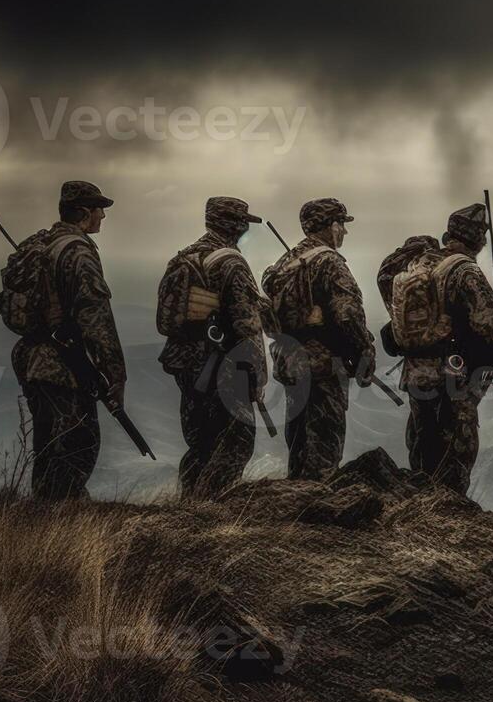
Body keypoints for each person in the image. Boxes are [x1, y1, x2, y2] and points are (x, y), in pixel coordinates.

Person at [10, 180, 127, 501]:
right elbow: (96, 317)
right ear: (84, 212)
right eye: (99, 209)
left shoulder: (41, 244)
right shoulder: (77, 251)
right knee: (79, 446)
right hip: (64, 367)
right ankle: (64, 523)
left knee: (48, 449)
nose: (103, 215)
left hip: (34, 361)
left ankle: (42, 519)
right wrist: (116, 374)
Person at [157, 197, 269, 498]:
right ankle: (214, 509)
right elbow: (247, 325)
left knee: (200, 442)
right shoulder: (231, 262)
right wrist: (258, 376)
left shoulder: (183, 258)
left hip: (186, 364)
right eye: (244, 222)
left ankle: (190, 504)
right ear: (236, 225)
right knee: (236, 442)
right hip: (224, 368)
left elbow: (166, 320)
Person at [397, 205, 493, 493]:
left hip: (415, 374)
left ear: (448, 233)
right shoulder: (464, 271)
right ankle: (447, 519)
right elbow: (491, 328)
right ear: (480, 241)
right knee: (455, 454)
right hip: (454, 379)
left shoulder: (418, 265)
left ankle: (418, 512)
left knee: (423, 447)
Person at [263, 198, 375, 480]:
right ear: (331, 226)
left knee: (299, 443)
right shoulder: (329, 261)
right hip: (323, 367)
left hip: (290, 364)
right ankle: (318, 510)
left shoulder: (285, 263)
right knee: (324, 444)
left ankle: (296, 504)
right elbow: (348, 315)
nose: (344, 233)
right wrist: (364, 353)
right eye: (342, 225)